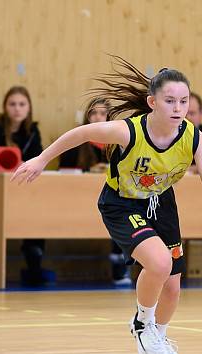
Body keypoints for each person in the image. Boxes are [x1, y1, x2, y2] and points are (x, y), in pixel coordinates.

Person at [11, 56, 202, 354]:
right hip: (121, 204)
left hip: (161, 203)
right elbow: (82, 133)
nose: (178, 109)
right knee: (159, 263)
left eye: (184, 101)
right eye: (170, 101)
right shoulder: (129, 131)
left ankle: (157, 337)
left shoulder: (194, 138)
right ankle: (141, 323)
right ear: (152, 102)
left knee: (173, 288)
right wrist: (41, 159)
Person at [0, 86, 48, 285]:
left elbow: (39, 158)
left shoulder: (32, 131)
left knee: (36, 214)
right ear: (5, 107)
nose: (17, 109)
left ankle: (34, 261)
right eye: (12, 104)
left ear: (29, 107)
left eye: (22, 104)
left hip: (25, 192)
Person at [59, 97, 131, 286]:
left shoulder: (119, 142)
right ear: (87, 116)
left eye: (102, 113)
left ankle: (120, 266)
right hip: (79, 197)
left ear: (109, 117)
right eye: (93, 113)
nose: (98, 117)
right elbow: (64, 169)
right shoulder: (78, 141)